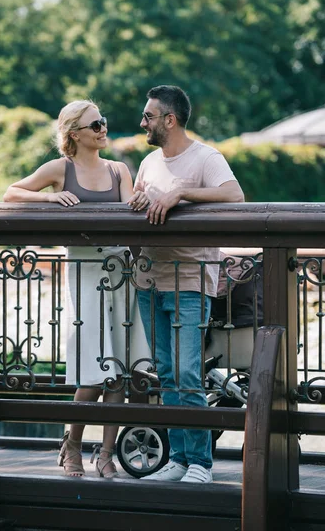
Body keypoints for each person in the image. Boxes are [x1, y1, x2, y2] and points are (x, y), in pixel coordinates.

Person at [4, 99, 151, 479]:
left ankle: (106, 454)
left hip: (121, 270)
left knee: (118, 368)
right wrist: (50, 197)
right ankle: (71, 445)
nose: (104, 129)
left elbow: (130, 222)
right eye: (95, 125)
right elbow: (12, 193)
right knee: (92, 368)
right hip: (84, 272)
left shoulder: (119, 170)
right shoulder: (59, 169)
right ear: (75, 134)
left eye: (103, 122)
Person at [128, 85, 244, 483]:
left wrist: (180, 193)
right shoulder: (147, 162)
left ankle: (201, 464)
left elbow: (235, 196)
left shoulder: (206, 157)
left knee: (188, 373)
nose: (142, 122)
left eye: (149, 116)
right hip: (149, 281)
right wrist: (137, 203)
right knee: (167, 374)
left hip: (191, 282)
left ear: (170, 120)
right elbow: (140, 204)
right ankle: (177, 458)